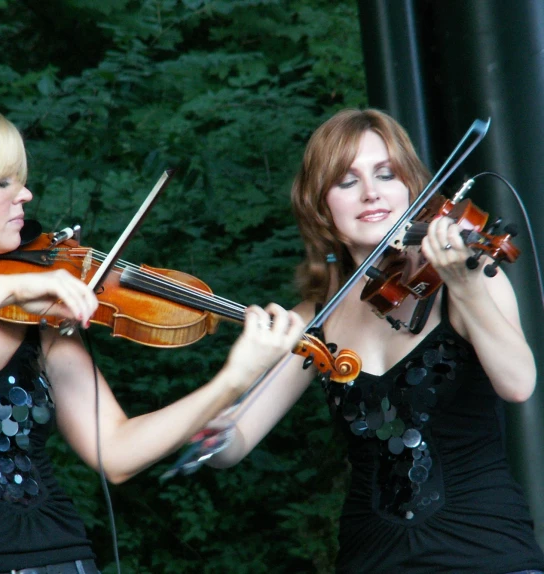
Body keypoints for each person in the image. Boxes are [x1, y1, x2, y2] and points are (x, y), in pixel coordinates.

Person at [0, 101, 306, 574]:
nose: (26, 195)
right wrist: (5, 286)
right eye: (3, 183)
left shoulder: (36, 321)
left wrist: (232, 379)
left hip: (63, 558)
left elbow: (118, 452)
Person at [208, 108, 544, 573]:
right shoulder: (313, 320)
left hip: (486, 553)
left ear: (411, 186)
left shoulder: (467, 279)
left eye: (386, 174)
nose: (371, 193)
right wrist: (209, 419)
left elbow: (519, 382)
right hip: (370, 559)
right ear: (320, 204)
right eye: (347, 182)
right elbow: (236, 442)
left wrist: (465, 287)